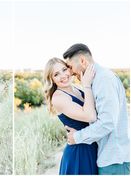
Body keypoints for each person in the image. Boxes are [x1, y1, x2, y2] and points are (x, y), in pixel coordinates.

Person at [63, 43, 130, 175]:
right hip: (107, 158)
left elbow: (107, 122)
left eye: (70, 67)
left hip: (113, 161)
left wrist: (77, 137)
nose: (70, 72)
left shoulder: (103, 80)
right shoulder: (95, 80)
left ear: (82, 61)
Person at [44, 57, 98, 174]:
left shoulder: (76, 89)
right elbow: (90, 116)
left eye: (64, 69)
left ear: (69, 69)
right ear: (51, 79)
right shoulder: (58, 97)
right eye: (56, 74)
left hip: (91, 145)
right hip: (79, 153)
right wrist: (87, 85)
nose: (63, 76)